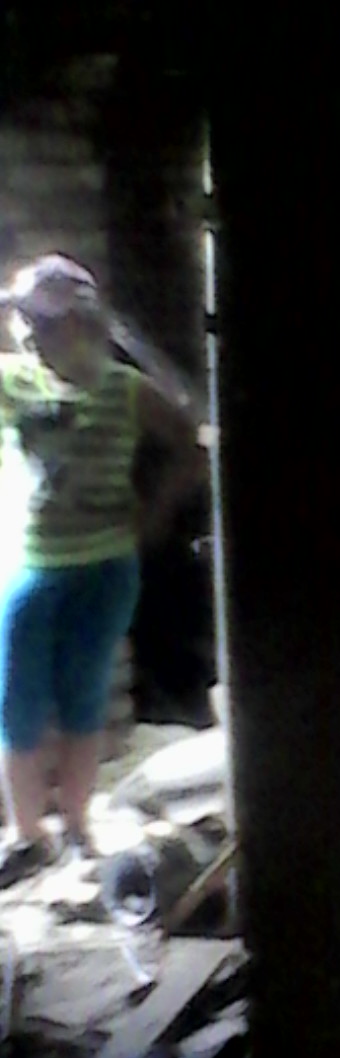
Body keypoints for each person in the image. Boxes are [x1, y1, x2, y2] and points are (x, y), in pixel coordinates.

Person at [0, 253, 206, 883]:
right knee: (17, 700)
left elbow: (191, 447)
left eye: (43, 321)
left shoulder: (124, 389)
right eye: (25, 321)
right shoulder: (15, 382)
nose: (30, 333)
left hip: (106, 567)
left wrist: (153, 515)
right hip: (37, 563)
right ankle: (28, 835)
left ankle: (77, 825)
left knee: (83, 697)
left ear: (78, 322)